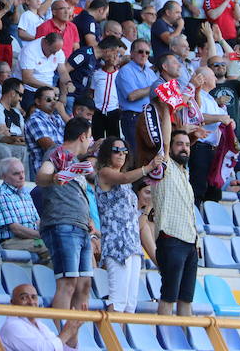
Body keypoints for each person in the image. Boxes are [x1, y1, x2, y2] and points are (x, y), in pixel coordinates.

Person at [35, 117, 96, 336]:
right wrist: (53, 178)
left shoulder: (77, 162)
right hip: (62, 224)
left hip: (79, 227)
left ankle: (71, 341)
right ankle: (57, 341)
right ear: (82, 136)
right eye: (90, 137)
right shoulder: (57, 152)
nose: (91, 141)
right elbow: (42, 175)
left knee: (84, 285)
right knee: (68, 283)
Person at [95, 137, 160, 313]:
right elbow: (123, 177)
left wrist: (148, 208)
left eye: (124, 151)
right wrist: (148, 167)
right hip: (117, 244)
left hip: (132, 244)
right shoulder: (104, 173)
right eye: (116, 150)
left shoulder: (126, 184)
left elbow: (135, 224)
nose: (121, 154)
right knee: (118, 300)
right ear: (107, 153)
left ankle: (121, 340)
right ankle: (111, 339)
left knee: (130, 303)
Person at [153, 126, 199, 316]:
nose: (184, 148)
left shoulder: (185, 173)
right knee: (168, 297)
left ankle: (184, 343)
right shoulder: (165, 167)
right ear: (169, 147)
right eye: (179, 144)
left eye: (187, 145)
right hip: (171, 238)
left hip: (190, 242)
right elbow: (162, 141)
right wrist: (167, 110)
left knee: (186, 299)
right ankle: (163, 341)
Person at [0, 157, 50, 263]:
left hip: (30, 239)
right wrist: (42, 236)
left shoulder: (25, 193)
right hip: (11, 242)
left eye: (23, 172)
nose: (22, 177)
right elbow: (16, 229)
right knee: (50, 247)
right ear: (4, 177)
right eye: (16, 174)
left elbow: (37, 221)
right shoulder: (2, 195)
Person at [0, 284, 84, 351]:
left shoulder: (40, 325)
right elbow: (45, 349)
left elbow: (63, 349)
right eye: (24, 298)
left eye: (34, 297)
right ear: (12, 303)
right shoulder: (12, 326)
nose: (31, 302)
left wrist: (74, 330)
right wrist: (67, 332)